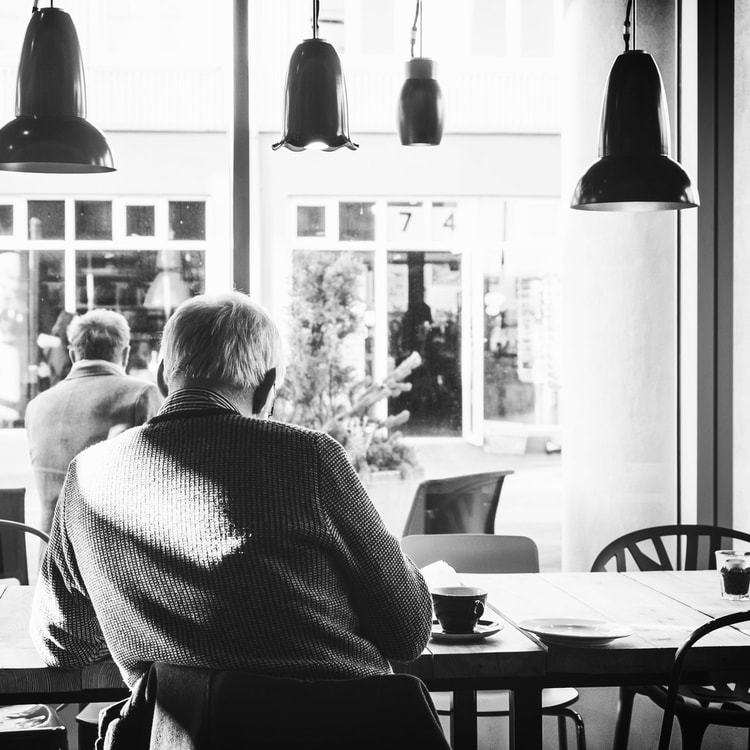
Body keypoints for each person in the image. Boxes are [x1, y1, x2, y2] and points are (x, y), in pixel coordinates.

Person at [30, 291, 432, 694]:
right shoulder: (309, 458)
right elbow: (408, 632)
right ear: (267, 388)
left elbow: (62, 644)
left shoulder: (87, 476)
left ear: (162, 374)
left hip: (182, 734)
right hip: (342, 729)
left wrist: (141, 620)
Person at [25, 308, 163, 534]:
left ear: (72, 355)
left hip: (49, 556)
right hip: (110, 556)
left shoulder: (36, 406)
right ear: (126, 354)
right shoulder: (141, 395)